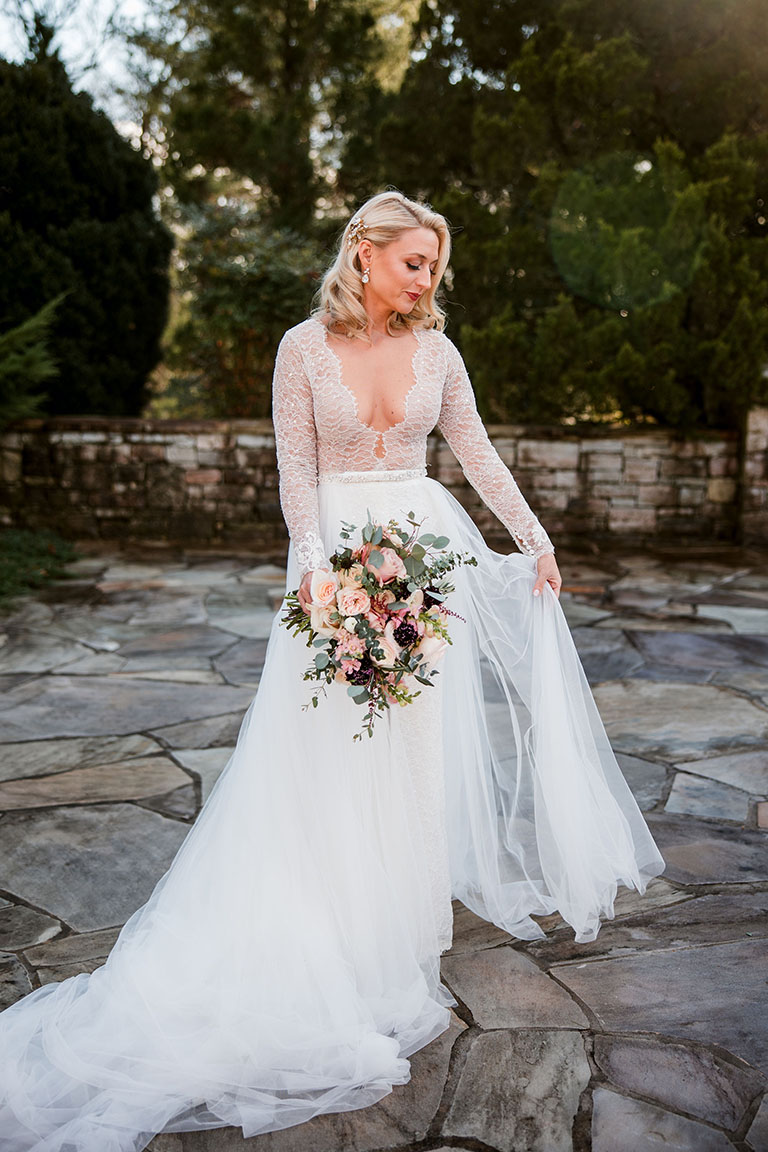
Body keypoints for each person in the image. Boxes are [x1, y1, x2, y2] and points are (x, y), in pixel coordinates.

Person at [0, 190, 665, 1151]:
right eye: (413, 262)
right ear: (364, 253)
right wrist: (315, 570)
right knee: (328, 743)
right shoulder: (301, 348)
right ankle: (330, 917)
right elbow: (295, 469)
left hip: (425, 560)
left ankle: (396, 913)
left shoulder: (440, 352)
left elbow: (473, 451)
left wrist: (534, 536)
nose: (427, 279)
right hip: (337, 566)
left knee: (412, 740)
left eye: (435, 265)